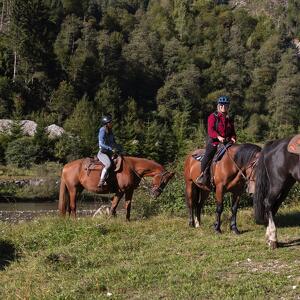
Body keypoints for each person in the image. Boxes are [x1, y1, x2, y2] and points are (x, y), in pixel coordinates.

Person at [196, 96, 236, 190]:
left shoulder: (229, 118)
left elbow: (233, 132)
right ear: (219, 106)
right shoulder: (213, 117)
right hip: (214, 143)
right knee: (208, 155)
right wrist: (218, 137)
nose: (224, 107)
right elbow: (211, 130)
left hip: (227, 143)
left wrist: (233, 138)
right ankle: (203, 175)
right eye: (222, 105)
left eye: (226, 105)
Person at [97, 114, 117, 189]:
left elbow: (114, 143)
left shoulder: (111, 131)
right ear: (106, 124)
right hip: (103, 153)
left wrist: (119, 148)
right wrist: (110, 148)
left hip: (110, 153)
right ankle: (101, 181)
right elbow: (101, 144)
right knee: (108, 164)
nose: (112, 123)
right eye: (110, 122)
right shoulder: (102, 130)